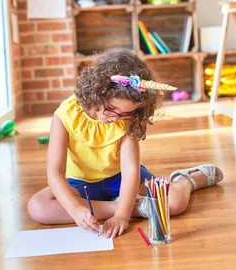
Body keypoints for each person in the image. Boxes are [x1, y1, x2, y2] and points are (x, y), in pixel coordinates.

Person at [27, 49, 223, 239]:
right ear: (97, 93)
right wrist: (76, 209)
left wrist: (122, 216)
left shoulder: (127, 119)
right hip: (80, 184)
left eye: (126, 113)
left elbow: (130, 170)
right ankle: (132, 206)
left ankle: (187, 179)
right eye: (111, 109)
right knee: (38, 206)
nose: (116, 118)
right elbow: (54, 172)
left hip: (120, 179)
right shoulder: (64, 115)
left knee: (174, 203)